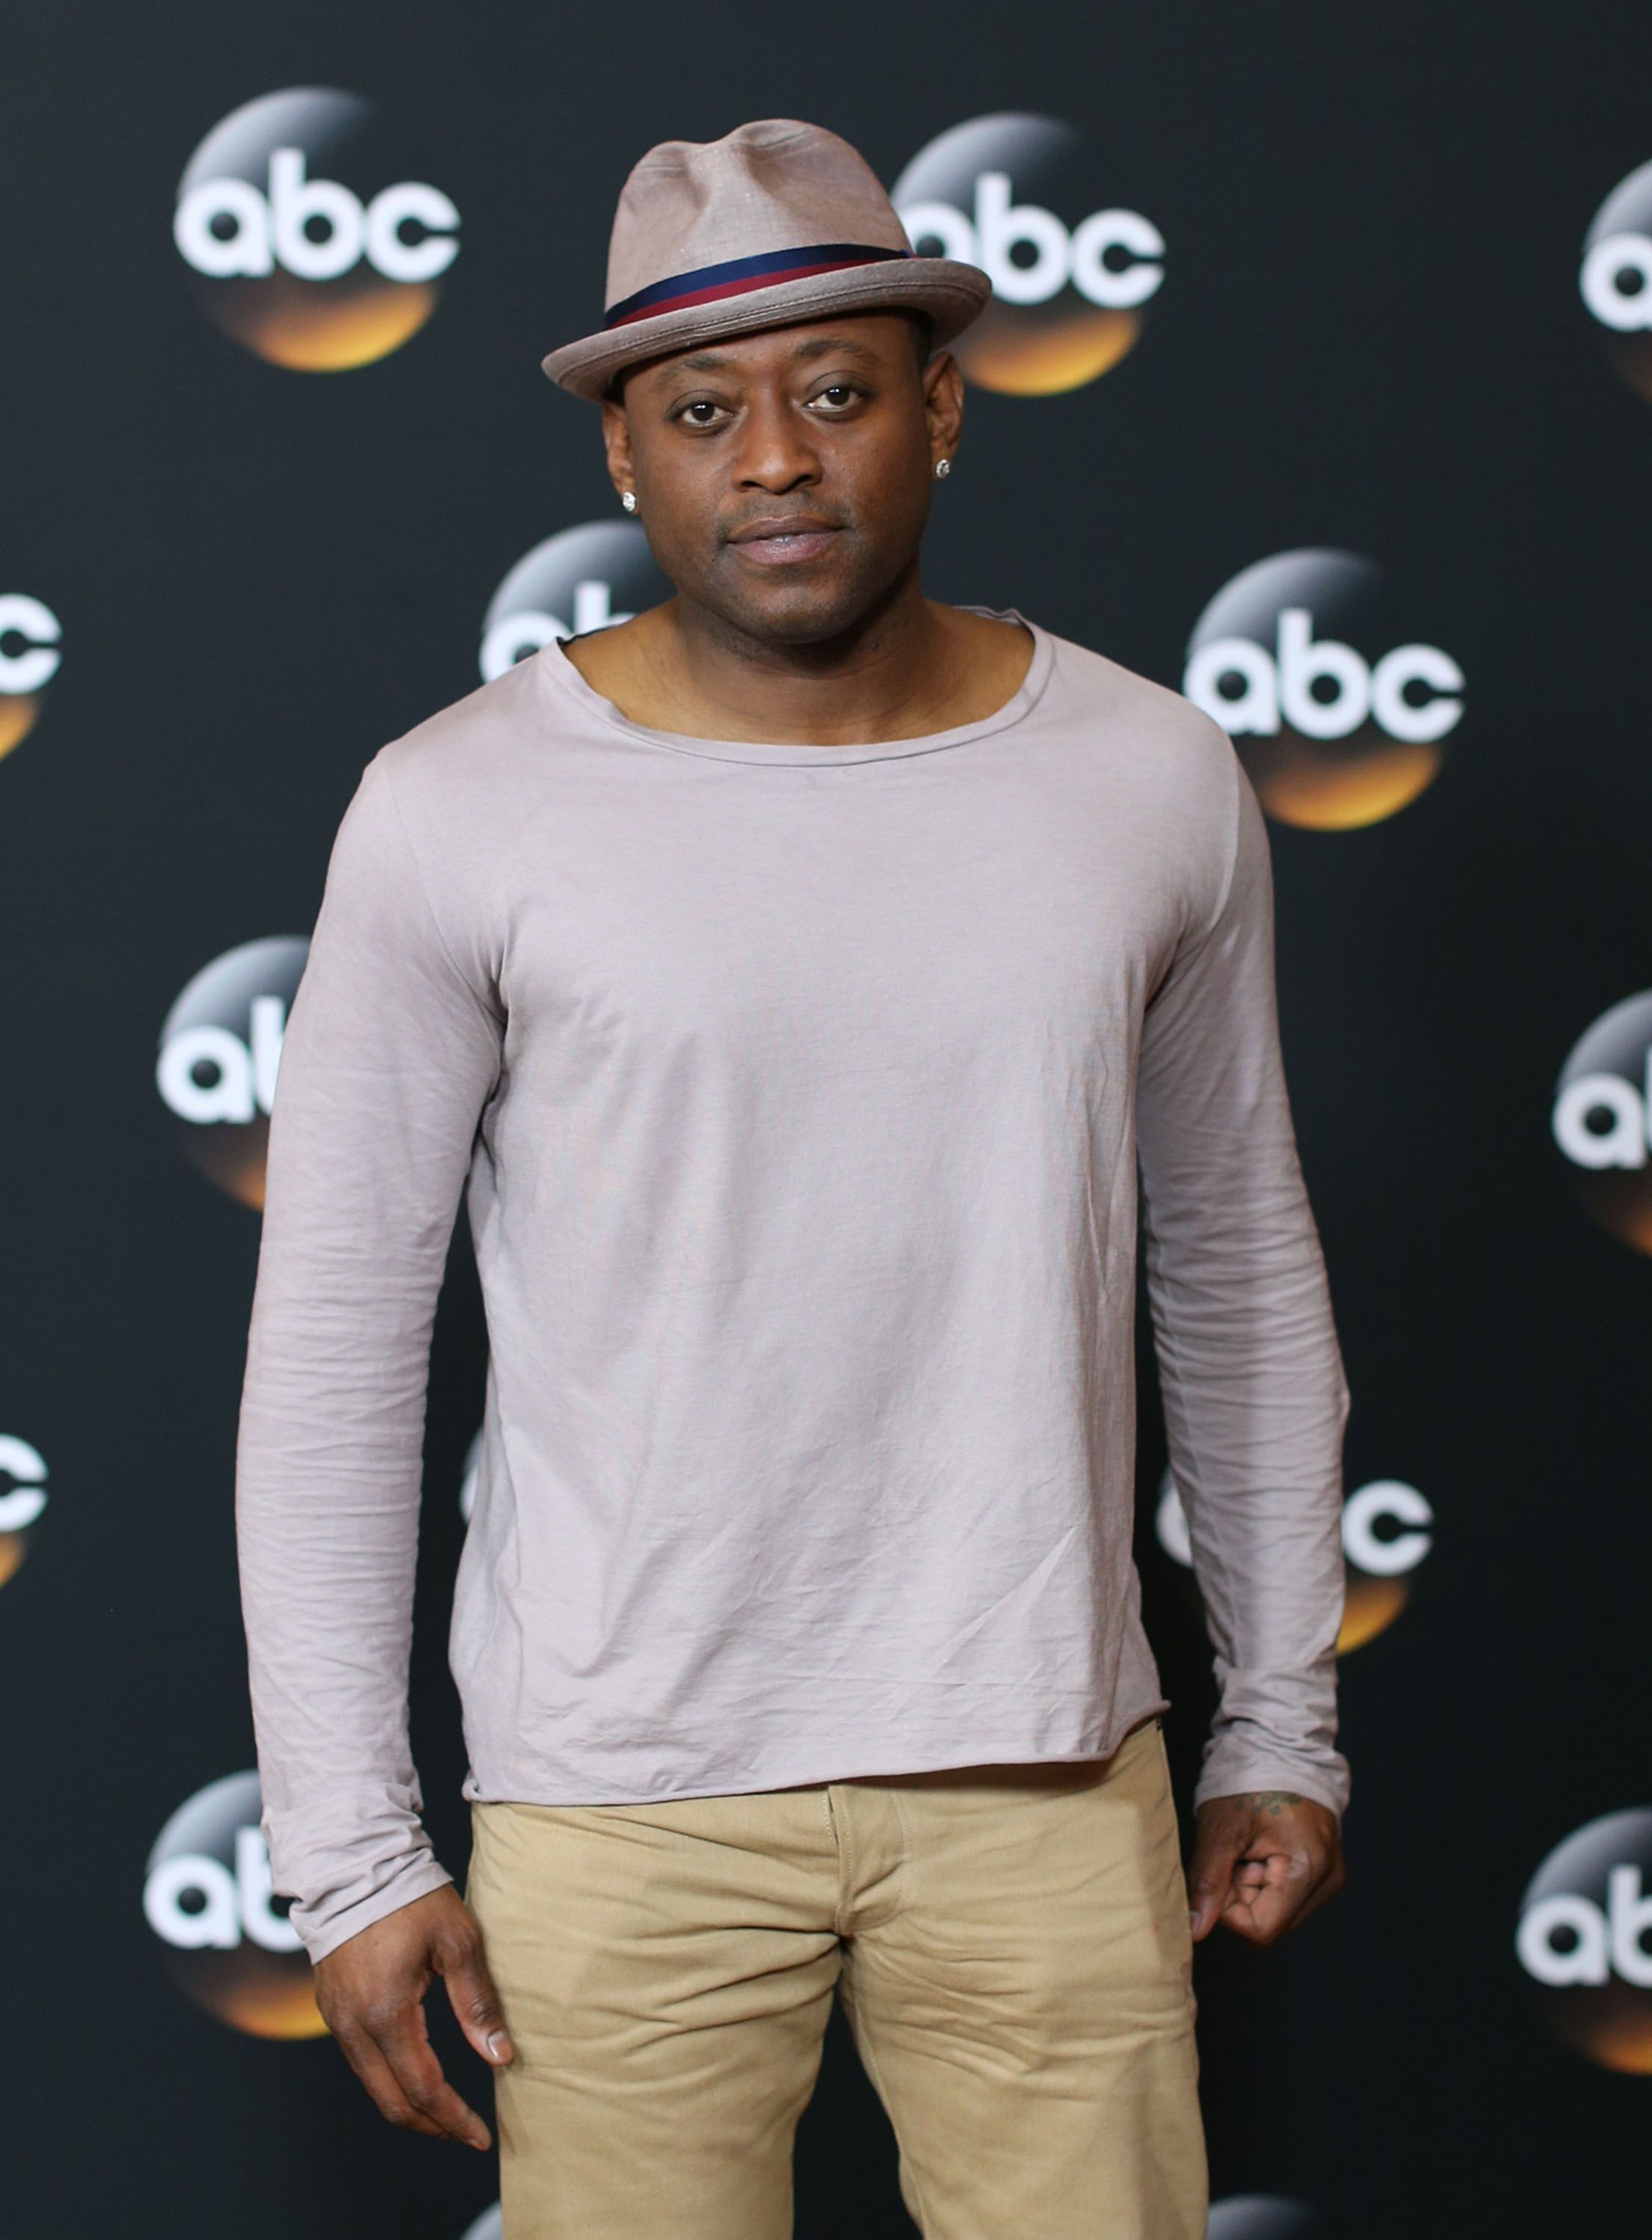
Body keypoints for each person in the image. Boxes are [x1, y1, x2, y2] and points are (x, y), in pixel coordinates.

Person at [236, 117, 1350, 2240]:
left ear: (939, 407)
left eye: (835, 392)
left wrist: (1280, 1713)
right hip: (616, 1800)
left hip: (1042, 1772)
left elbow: (1236, 1267)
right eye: (703, 409)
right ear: (623, 457)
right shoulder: (455, 808)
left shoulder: (1147, 777)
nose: (775, 460)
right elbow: (340, 1357)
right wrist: (354, 1849)